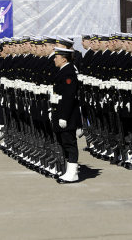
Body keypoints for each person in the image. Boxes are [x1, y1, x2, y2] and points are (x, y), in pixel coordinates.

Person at [52, 47, 81, 184]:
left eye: (56, 57)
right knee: (63, 141)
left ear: (64, 59)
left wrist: (64, 116)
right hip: (60, 110)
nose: (54, 59)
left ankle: (73, 173)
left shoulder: (69, 72)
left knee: (69, 142)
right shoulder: (63, 71)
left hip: (66, 114)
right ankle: (68, 171)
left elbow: (69, 97)